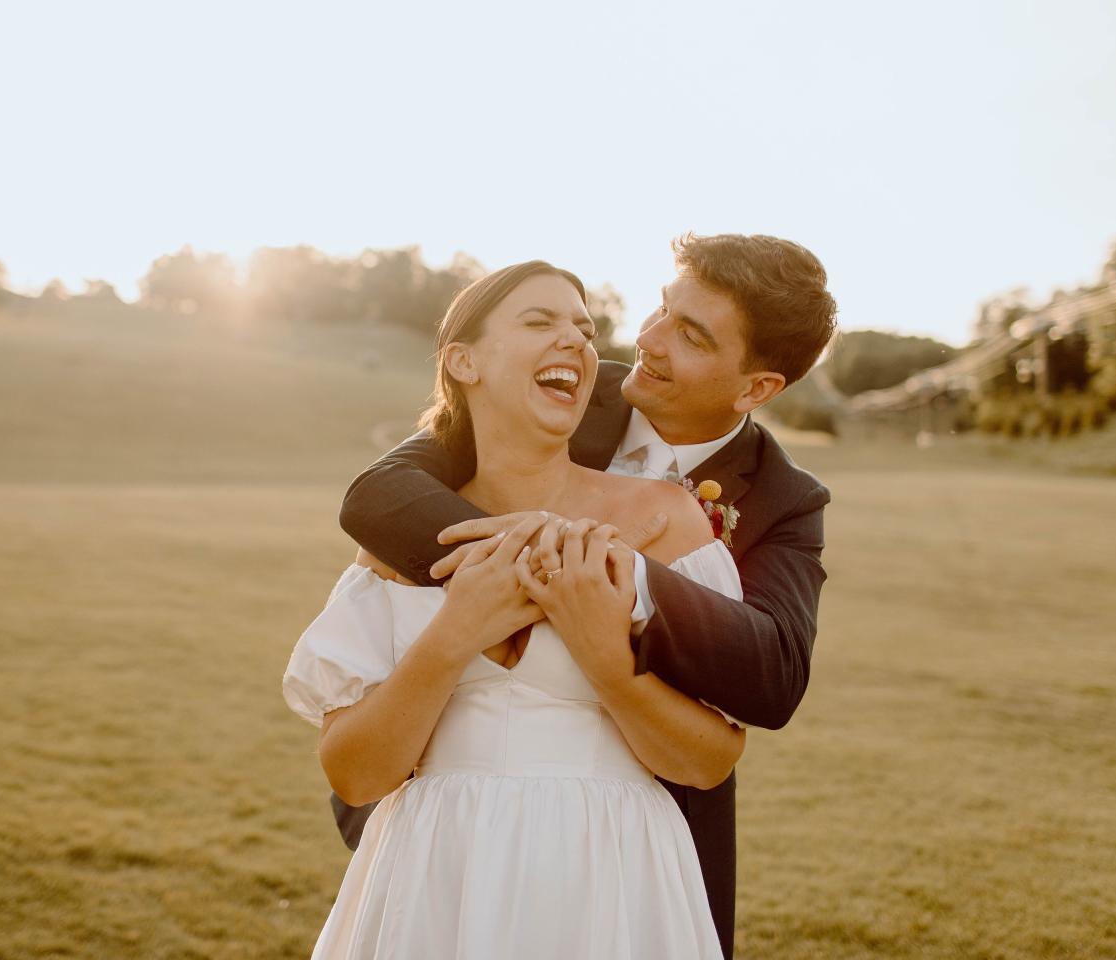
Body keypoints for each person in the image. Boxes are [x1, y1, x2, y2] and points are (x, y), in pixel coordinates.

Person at [338, 233, 838, 958]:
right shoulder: (563, 386)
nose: (649, 341)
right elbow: (380, 495)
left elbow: (774, 672)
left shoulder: (784, 499)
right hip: (451, 805)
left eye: (691, 335)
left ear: (756, 388)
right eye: (662, 310)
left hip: (645, 827)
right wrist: (542, 568)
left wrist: (622, 581)